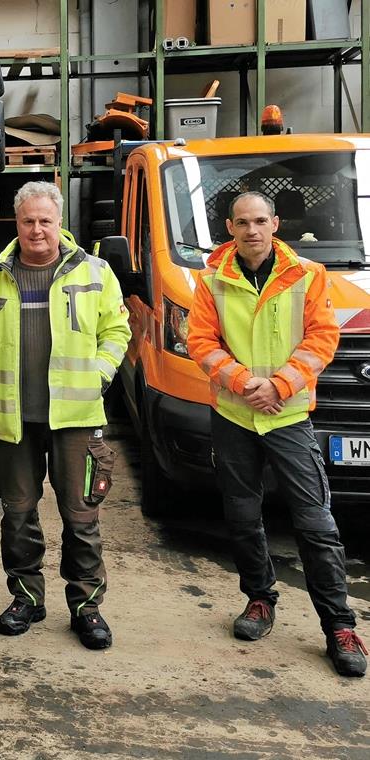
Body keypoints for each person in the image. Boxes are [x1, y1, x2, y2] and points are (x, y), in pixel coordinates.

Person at [187, 191, 366, 677]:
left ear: (275, 224)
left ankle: (340, 627)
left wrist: (280, 385)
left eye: (261, 221)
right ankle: (259, 600)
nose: (252, 231)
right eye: (243, 223)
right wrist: (246, 383)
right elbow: (200, 341)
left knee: (315, 522)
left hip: (286, 415)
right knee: (243, 516)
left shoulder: (308, 274)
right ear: (230, 227)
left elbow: (322, 337)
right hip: (236, 414)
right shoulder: (211, 281)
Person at [0, 181, 130, 650]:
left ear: (59, 223)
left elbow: (118, 329)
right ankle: (26, 598)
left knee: (81, 515)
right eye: (29, 221)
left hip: (75, 417)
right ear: (19, 223)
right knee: (18, 513)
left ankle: (86, 606)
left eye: (45, 221)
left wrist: (98, 374)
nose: (37, 230)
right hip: (14, 421)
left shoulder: (94, 273)